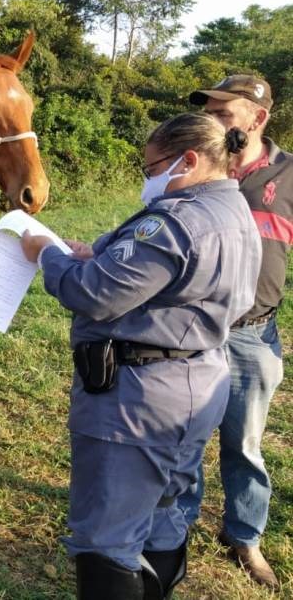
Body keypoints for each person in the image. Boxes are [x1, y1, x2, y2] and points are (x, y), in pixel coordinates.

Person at [20, 112, 261, 599]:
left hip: (138, 400)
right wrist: (100, 256)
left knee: (106, 538)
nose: (148, 179)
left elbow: (94, 294)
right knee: (165, 512)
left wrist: (45, 251)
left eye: (153, 167)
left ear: (188, 160)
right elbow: (173, 279)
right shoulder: (234, 210)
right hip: (196, 380)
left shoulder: (176, 221)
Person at [177, 75, 292, 590]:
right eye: (211, 112)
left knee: (244, 442)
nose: (214, 121)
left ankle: (245, 536)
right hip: (195, 327)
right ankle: (178, 522)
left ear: (257, 119)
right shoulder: (197, 165)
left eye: (225, 113)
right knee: (186, 435)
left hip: (252, 333)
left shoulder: (288, 176)